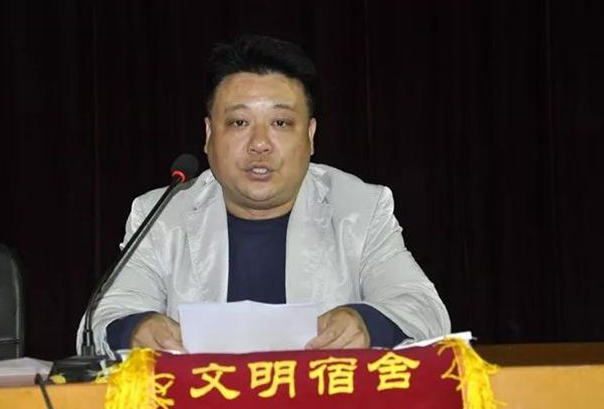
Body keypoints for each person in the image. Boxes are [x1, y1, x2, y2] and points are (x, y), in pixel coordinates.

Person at [78, 35, 450, 357]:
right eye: (239, 122)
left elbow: (425, 311)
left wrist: (366, 323)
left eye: (281, 123)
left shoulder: (359, 208)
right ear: (208, 135)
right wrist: (137, 328)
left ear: (310, 136)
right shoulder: (162, 215)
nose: (259, 144)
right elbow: (101, 321)